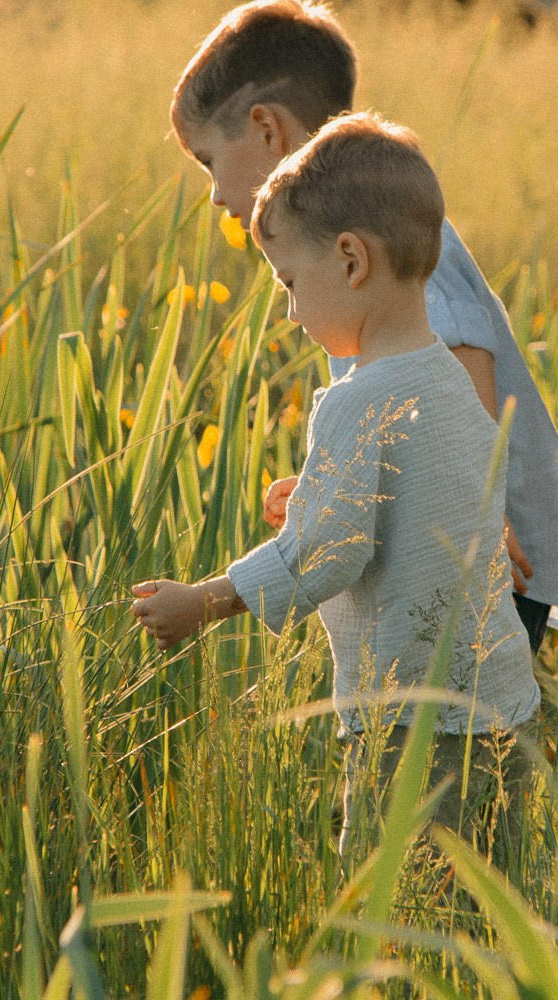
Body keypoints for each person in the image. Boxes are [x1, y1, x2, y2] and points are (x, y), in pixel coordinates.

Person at [130, 113, 541, 860]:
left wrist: (205, 601)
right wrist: (322, 484)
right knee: (493, 914)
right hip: (501, 708)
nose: (289, 312)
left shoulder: (359, 397)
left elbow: (327, 551)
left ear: (351, 260)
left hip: (414, 728)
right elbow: (430, 496)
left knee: (388, 919)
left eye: (289, 283)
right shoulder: (450, 378)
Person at [168, 0, 558, 654]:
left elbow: (459, 361)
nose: (212, 195)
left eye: (208, 161)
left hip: (482, 566)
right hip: (453, 555)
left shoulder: (389, 242)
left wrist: (476, 505)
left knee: (446, 742)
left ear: (266, 129)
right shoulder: (343, 249)